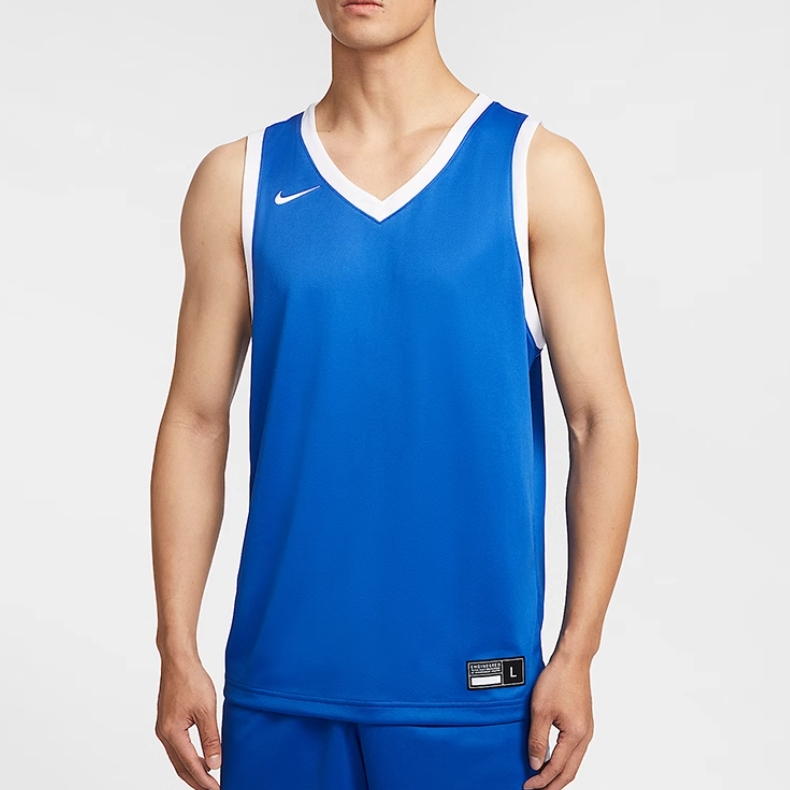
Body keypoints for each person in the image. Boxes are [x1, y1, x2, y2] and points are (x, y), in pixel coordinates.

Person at [150, 0, 638, 788]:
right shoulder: (240, 179)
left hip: (477, 688)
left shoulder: (534, 170)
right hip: (282, 687)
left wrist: (577, 650)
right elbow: (196, 420)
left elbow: (599, 421)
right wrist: (176, 648)